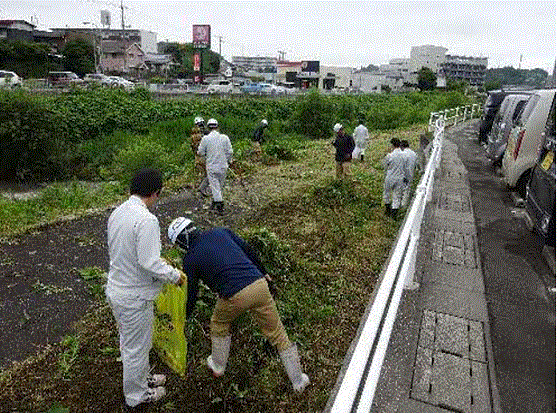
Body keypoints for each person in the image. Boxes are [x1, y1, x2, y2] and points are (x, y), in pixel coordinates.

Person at [167, 217, 310, 393]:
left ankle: (218, 365)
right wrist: (264, 273)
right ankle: (298, 381)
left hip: (233, 296)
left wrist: (182, 319)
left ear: (181, 241)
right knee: (279, 334)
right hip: (259, 284)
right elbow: (249, 250)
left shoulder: (190, 259)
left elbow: (192, 295)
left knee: (218, 323)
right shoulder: (221, 231)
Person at [105, 168, 185, 408]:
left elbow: (131, 253)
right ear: (155, 193)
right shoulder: (146, 220)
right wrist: (174, 276)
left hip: (118, 289)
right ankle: (136, 396)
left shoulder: (118, 212)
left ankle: (141, 379)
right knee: (135, 348)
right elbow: (149, 262)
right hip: (133, 296)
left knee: (134, 343)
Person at [197, 118, 234, 215]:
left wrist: (205, 154)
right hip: (223, 166)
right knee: (219, 187)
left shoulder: (205, 139)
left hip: (212, 167)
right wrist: (228, 160)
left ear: (208, 128)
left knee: (215, 187)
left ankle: (220, 207)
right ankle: (214, 203)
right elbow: (230, 152)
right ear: (217, 127)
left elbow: (200, 152)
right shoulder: (225, 137)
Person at [382, 138, 407, 219]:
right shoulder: (404, 155)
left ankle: (387, 210)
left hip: (390, 177)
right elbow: (406, 168)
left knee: (387, 193)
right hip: (400, 177)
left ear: (392, 145)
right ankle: (394, 215)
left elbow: (385, 167)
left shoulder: (390, 155)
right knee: (397, 195)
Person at [191, 116, 210, 197]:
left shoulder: (193, 135)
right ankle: (201, 190)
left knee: (200, 174)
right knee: (208, 174)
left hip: (197, 157)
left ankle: (197, 190)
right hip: (203, 157)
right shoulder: (202, 135)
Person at [400, 140, 417, 208]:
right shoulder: (414, 154)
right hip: (410, 174)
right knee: (407, 190)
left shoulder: (403, 154)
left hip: (403, 175)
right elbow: (415, 165)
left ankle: (400, 206)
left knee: (400, 191)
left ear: (402, 146)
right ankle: (404, 206)